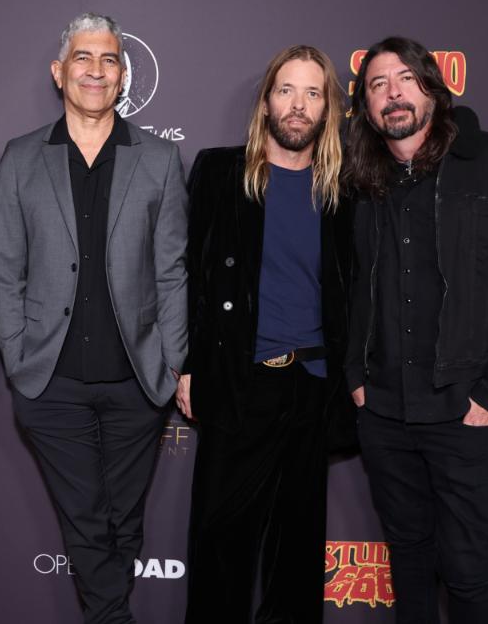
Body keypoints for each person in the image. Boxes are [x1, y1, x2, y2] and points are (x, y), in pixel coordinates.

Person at [343, 36, 488, 624]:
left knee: (467, 572)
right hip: (385, 415)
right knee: (409, 567)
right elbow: (341, 284)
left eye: (405, 79)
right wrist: (356, 377)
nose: (393, 94)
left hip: (463, 412)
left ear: (434, 88)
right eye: (377, 85)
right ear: (365, 106)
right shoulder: (359, 180)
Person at [0, 12, 187, 624]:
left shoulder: (158, 159)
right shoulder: (22, 158)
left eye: (108, 60)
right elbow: (5, 270)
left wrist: (174, 363)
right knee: (85, 515)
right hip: (51, 382)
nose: (95, 71)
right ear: (60, 71)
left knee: (123, 522)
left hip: (137, 380)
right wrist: (19, 355)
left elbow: (172, 271)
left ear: (123, 75)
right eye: (83, 58)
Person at [178, 44, 354, 623]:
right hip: (238, 383)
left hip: (311, 389)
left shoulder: (343, 192)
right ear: (266, 102)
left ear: (328, 109)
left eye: (312, 93)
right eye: (286, 90)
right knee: (219, 552)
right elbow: (186, 276)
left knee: (297, 561)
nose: (298, 105)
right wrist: (186, 364)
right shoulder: (220, 173)